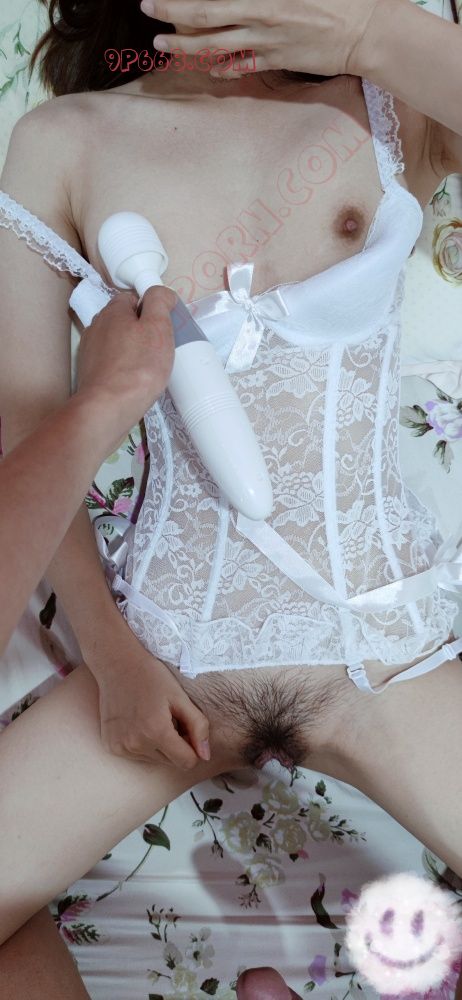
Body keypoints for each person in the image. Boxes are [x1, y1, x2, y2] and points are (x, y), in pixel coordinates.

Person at [0, 0, 462, 997]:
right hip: (163, 659)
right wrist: (113, 657)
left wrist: (366, 37)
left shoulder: (392, 103)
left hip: (384, 654)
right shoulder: (63, 141)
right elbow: (29, 433)